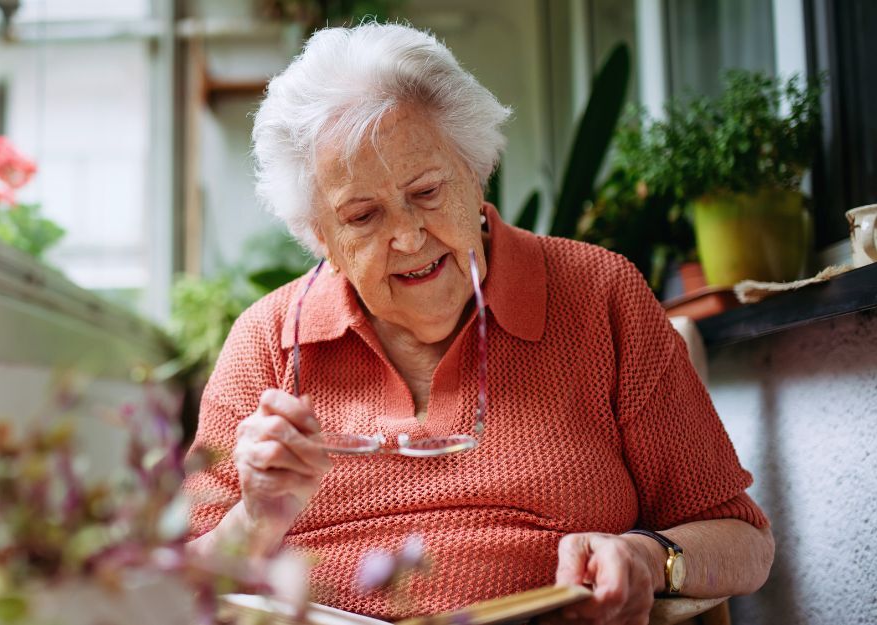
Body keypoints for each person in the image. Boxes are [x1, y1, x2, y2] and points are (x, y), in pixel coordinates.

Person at [184, 22, 773, 624]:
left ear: (474, 170)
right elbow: (170, 587)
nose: (410, 235)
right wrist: (255, 518)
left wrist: (648, 557)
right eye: (362, 216)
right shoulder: (266, 340)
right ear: (320, 237)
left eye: (428, 191)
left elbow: (744, 542)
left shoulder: (599, 296)